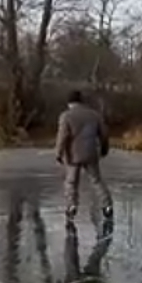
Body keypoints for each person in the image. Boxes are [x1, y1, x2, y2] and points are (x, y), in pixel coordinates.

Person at [54, 90, 113, 220]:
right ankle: (107, 205)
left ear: (69, 102)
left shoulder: (66, 116)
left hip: (73, 154)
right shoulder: (94, 115)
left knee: (71, 182)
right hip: (91, 153)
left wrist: (58, 153)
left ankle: (72, 206)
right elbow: (104, 134)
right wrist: (104, 149)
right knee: (97, 180)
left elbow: (63, 136)